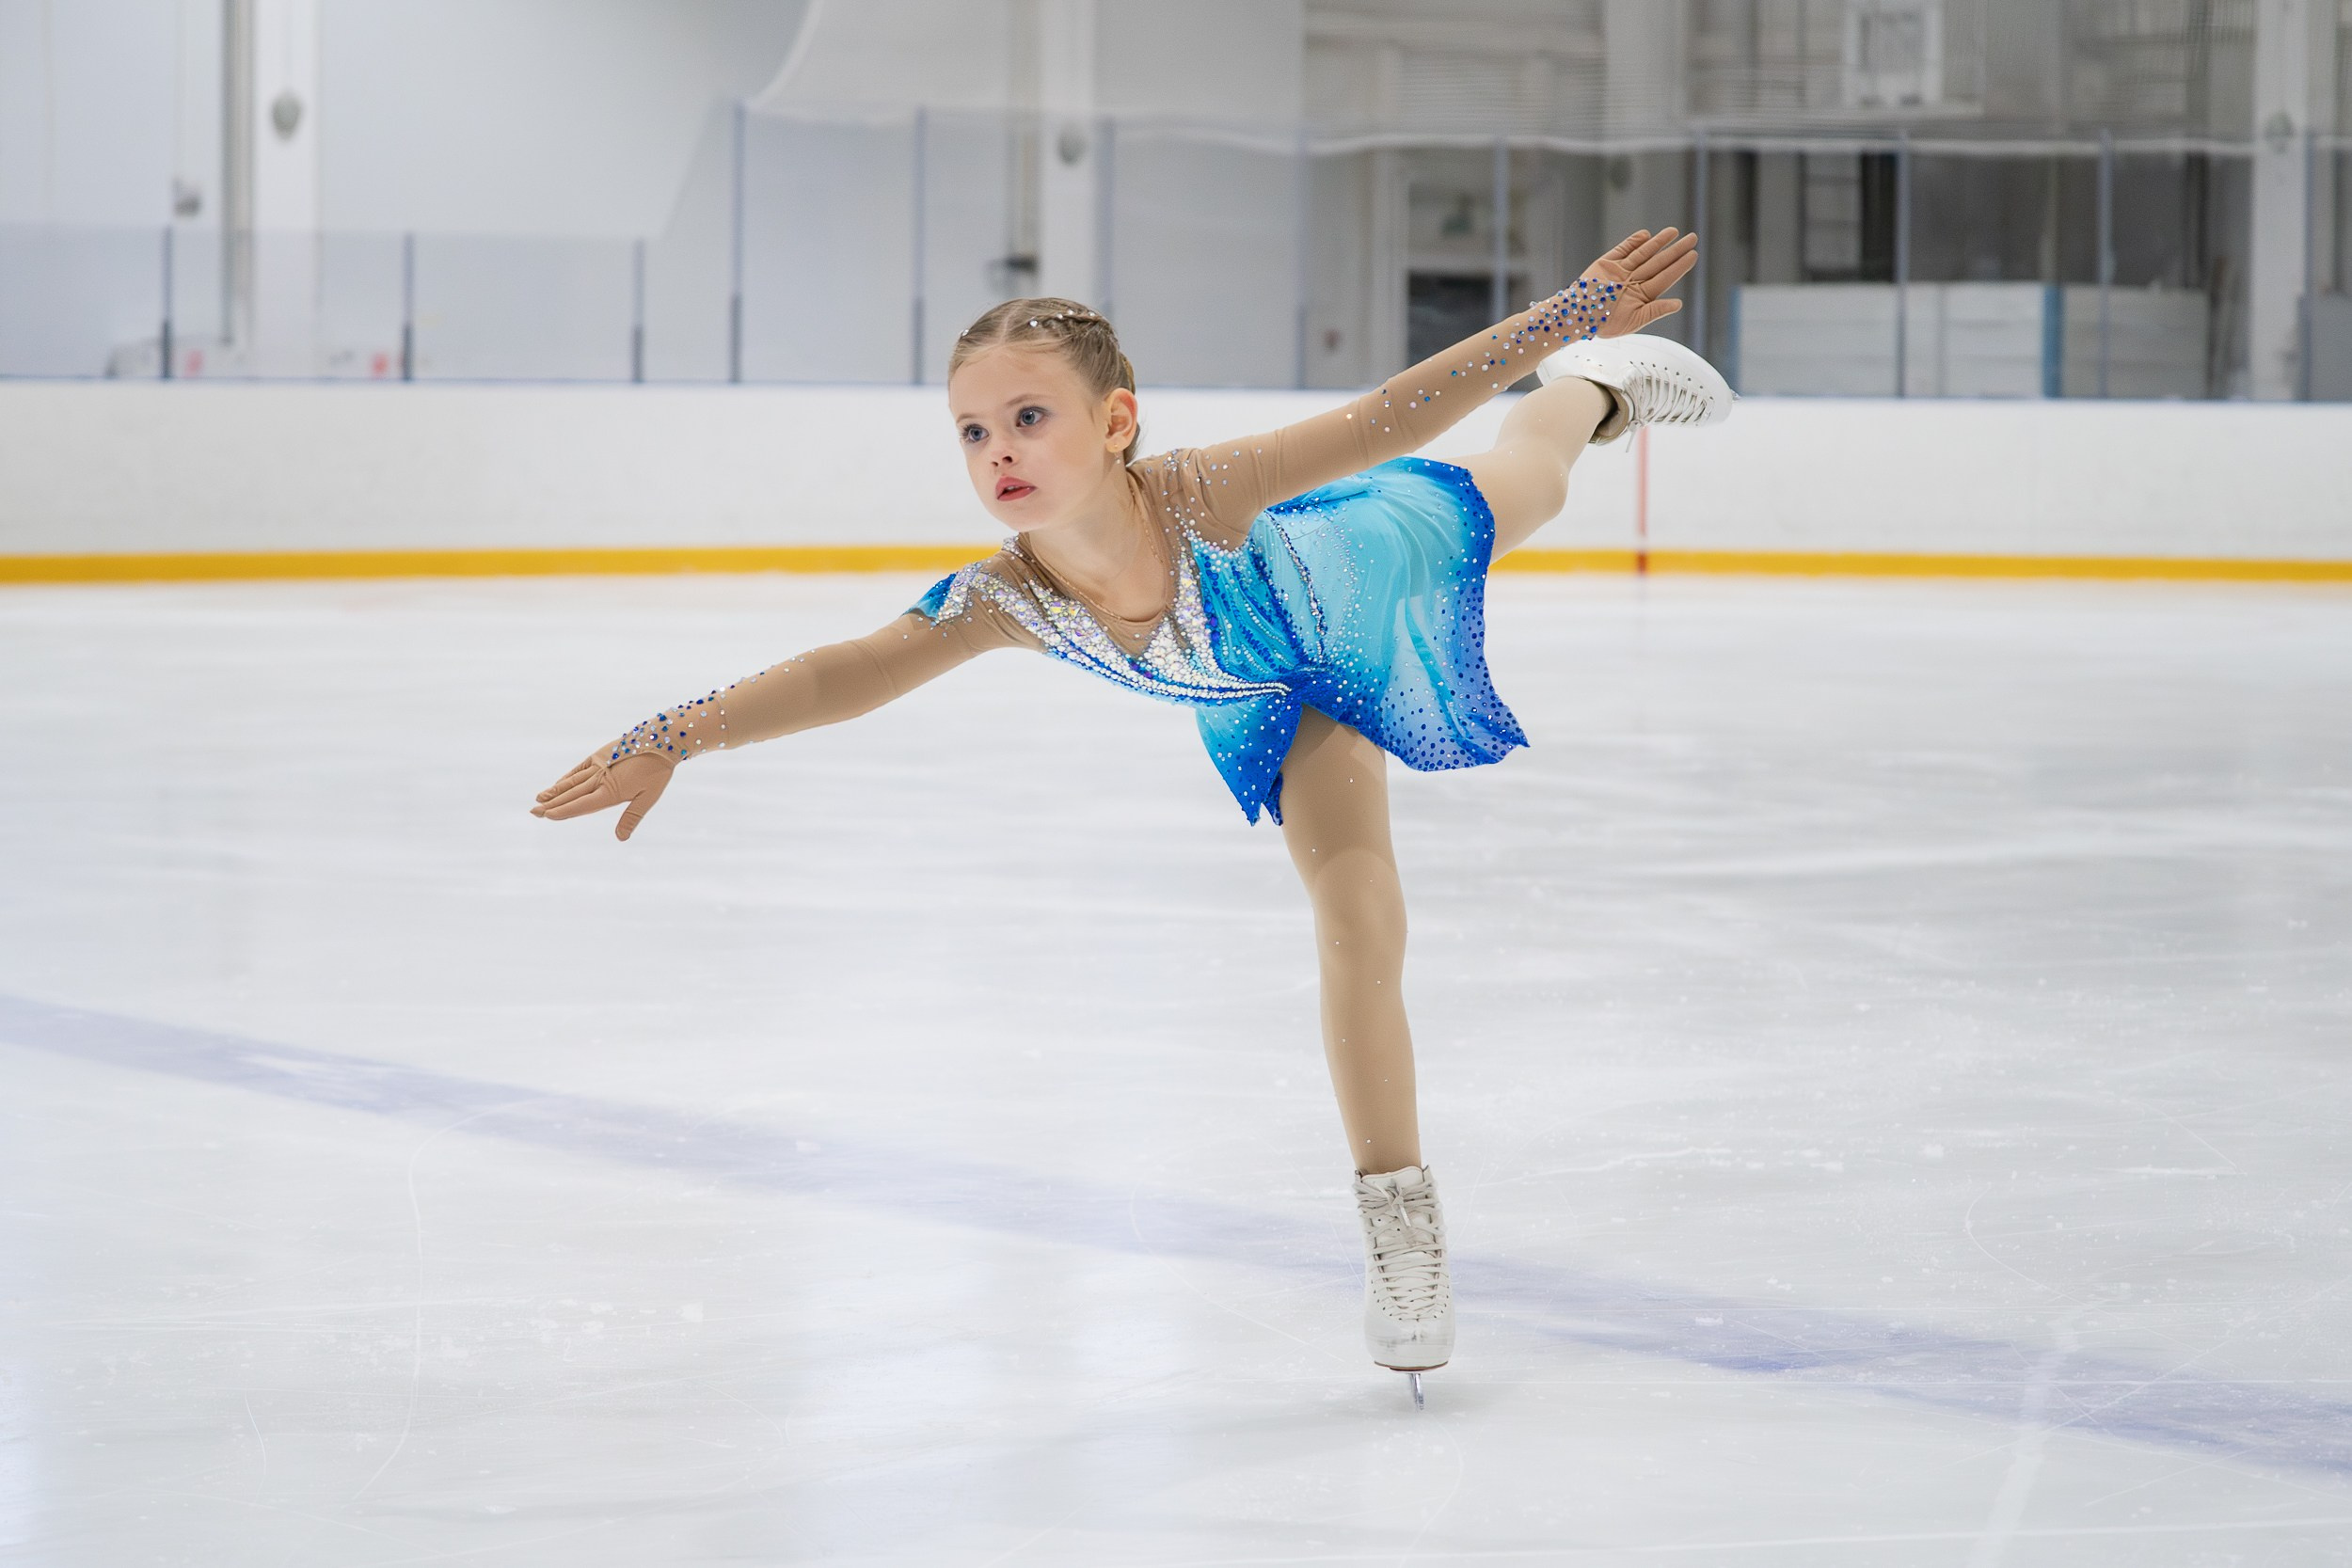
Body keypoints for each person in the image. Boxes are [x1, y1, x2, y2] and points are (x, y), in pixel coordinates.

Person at [532, 228, 1731, 1402]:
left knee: (1529, 480)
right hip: (1264, 685)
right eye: (973, 430)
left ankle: (1588, 394)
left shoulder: (1199, 492)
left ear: (1115, 422)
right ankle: (1402, 1228)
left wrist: (1562, 324)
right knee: (1358, 917)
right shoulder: (1001, 595)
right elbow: (848, 670)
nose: (997, 448)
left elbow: (1389, 415)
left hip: (1360, 569)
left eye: (1028, 416)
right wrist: (678, 730)